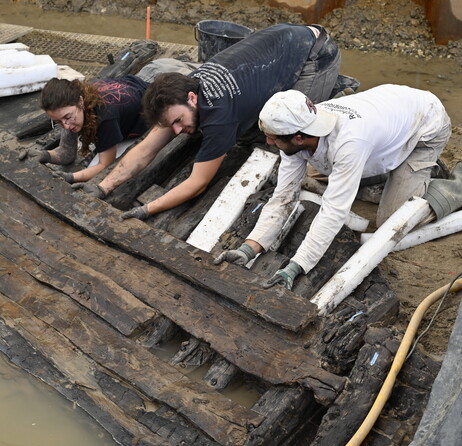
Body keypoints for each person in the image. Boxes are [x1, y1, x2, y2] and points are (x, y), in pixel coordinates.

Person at [73, 22, 341, 220]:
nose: (178, 131)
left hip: (313, 54)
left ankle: (337, 89)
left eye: (178, 121)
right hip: (276, 44)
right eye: (172, 125)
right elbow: (144, 149)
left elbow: (197, 182)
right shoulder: (182, 95)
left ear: (192, 98)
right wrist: (103, 188)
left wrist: (146, 209)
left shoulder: (219, 117)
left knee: (283, 132)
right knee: (247, 127)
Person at [214, 84, 452, 290]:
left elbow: (334, 211)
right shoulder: (300, 126)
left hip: (425, 124)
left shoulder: (350, 143)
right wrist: (248, 248)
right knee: (317, 172)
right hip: (388, 115)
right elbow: (284, 196)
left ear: (298, 137)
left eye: (273, 138)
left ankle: (448, 186)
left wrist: (297, 266)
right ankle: (390, 172)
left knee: (393, 220)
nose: (267, 141)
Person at [31, 60, 200, 183]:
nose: (66, 126)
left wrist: (71, 177)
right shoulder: (71, 106)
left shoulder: (105, 116)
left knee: (204, 75)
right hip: (148, 74)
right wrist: (44, 155)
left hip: (164, 80)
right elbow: (67, 152)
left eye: (67, 118)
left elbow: (105, 165)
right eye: (59, 122)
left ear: (81, 102)